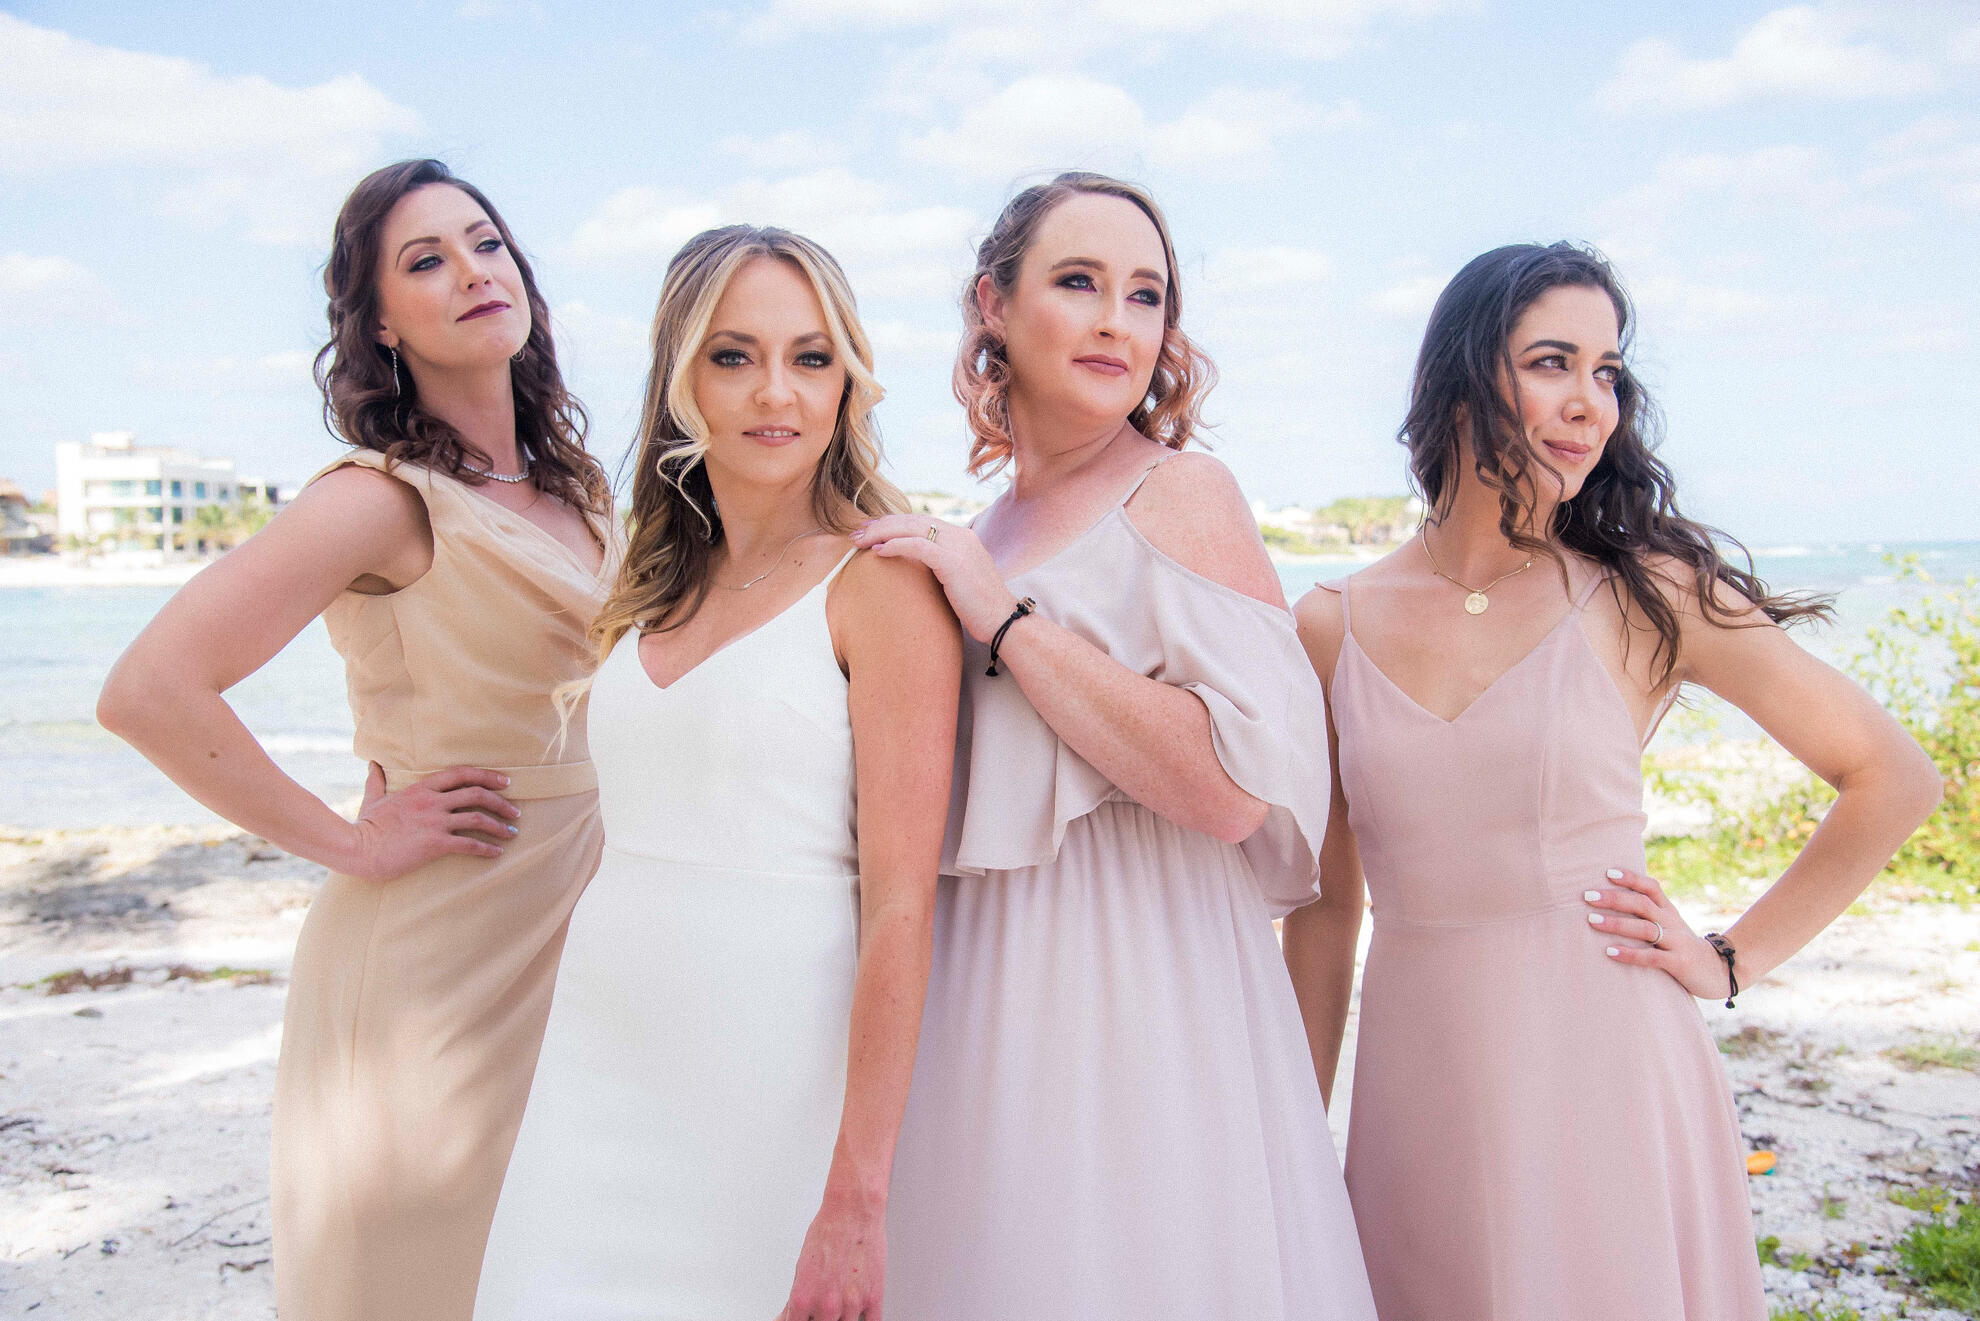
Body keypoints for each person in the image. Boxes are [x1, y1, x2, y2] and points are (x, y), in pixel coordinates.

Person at [1283, 242, 1943, 1320]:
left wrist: (1730, 958)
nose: (1591, 402)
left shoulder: (1648, 594)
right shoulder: (1329, 624)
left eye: (1608, 372)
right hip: (1421, 1081)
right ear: (1457, 377)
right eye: (1553, 361)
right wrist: (1297, 1138)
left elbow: (1891, 776)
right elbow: (1324, 908)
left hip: (1609, 1066)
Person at [96, 158, 616, 1320]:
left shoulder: (580, 493)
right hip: (434, 962)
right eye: (427, 260)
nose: (472, 271)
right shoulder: (380, 499)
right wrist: (349, 840)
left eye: (485, 242)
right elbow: (149, 690)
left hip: (574, 948)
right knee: (415, 1284)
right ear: (381, 323)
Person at [859, 172, 1376, 1320]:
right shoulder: (982, 532)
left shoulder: (1181, 493)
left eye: (1145, 295)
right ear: (993, 303)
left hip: (1140, 990)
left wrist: (1005, 622)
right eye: (1079, 282)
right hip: (986, 997)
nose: (1115, 322)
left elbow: (1233, 788)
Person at [474, 225, 959, 1321]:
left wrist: (859, 1195)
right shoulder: (654, 584)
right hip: (599, 1061)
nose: (775, 391)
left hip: (774, 1080)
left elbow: (901, 907)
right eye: (733, 356)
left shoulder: (882, 583)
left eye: (811, 357)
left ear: (847, 381)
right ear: (681, 377)